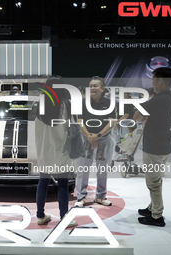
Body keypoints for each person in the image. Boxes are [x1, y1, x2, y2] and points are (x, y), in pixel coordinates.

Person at [133, 67, 171, 227]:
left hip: (155, 149)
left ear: (160, 80)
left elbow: (137, 116)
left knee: (153, 183)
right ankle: (152, 208)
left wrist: (144, 111)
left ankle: (157, 216)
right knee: (155, 180)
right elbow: (154, 118)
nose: (152, 82)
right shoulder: (169, 99)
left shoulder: (157, 100)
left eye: (153, 79)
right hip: (163, 147)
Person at [34, 76, 77, 227]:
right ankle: (64, 218)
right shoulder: (66, 105)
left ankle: (40, 216)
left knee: (43, 183)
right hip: (61, 149)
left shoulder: (38, 105)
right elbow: (71, 128)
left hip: (44, 149)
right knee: (63, 185)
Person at [75, 76, 115, 207]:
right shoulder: (82, 102)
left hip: (103, 139)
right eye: (91, 85)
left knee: (102, 169)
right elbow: (79, 122)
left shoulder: (109, 103)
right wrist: (89, 137)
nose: (92, 88)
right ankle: (81, 197)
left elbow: (111, 122)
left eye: (95, 86)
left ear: (102, 89)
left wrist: (97, 136)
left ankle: (100, 196)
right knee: (83, 169)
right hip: (85, 139)